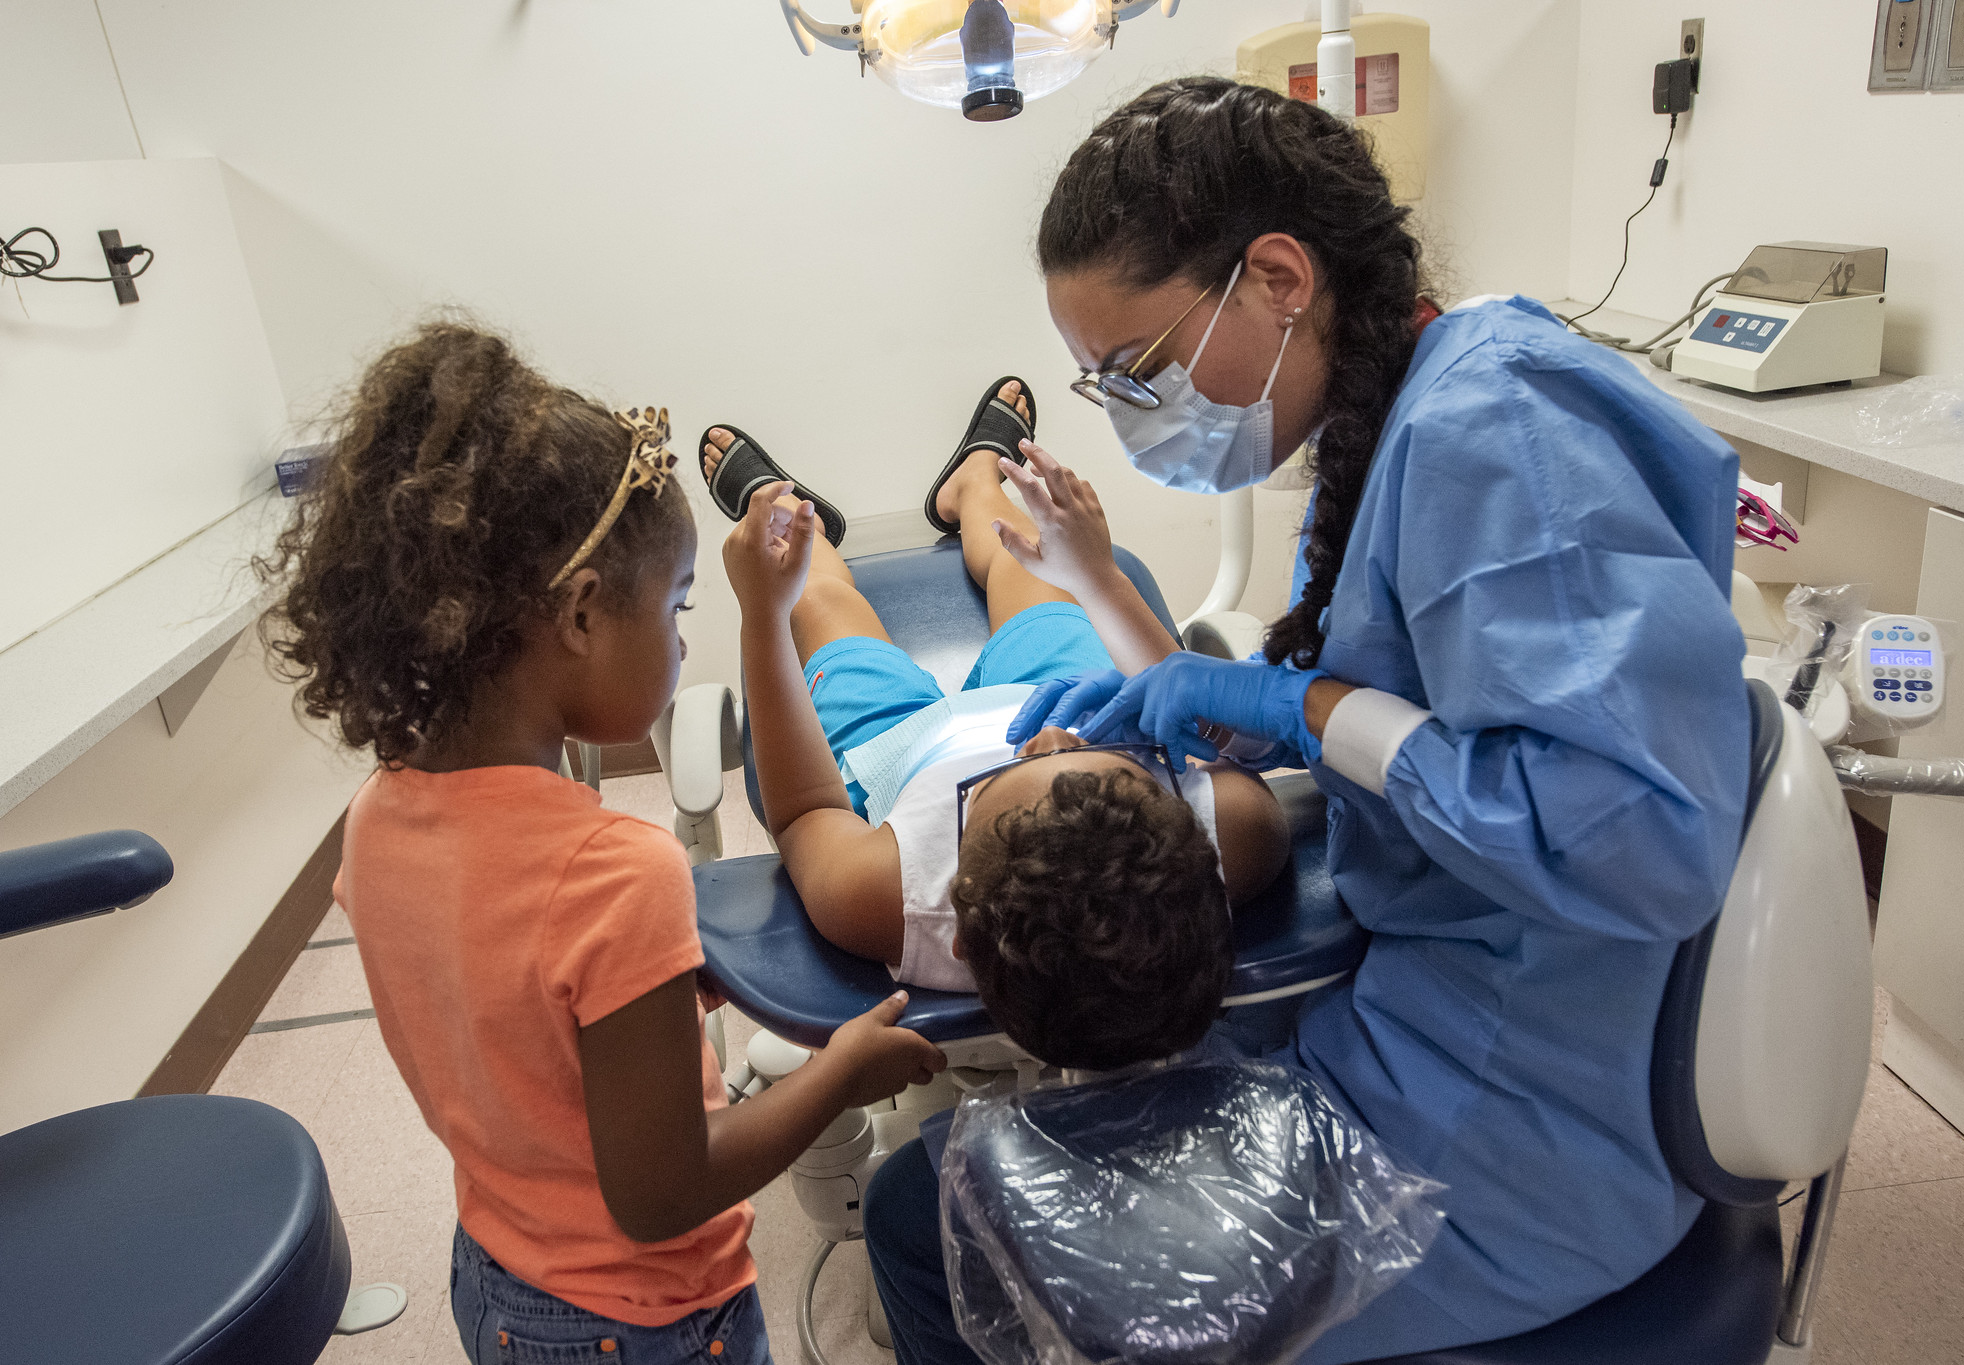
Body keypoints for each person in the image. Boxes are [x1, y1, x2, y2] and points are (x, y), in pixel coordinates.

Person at [863, 78, 1752, 1362]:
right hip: (1435, 1019)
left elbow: (1639, 844)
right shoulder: (1410, 404)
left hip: (1502, 1143)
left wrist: (1300, 702)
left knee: (921, 1208)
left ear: (1277, 276)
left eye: (1138, 371)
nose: (1125, 416)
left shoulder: (1488, 431)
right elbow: (1463, 708)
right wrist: (1262, 720)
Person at [257, 322, 944, 1365]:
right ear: (579, 613)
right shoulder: (614, 871)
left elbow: (500, 1007)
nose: (677, 640)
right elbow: (664, 1191)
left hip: (497, 1270)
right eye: (675, 607)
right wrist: (836, 1077)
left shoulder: (380, 813)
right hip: (641, 1322)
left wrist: (663, 991)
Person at [698, 380, 1287, 1067]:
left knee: (821, 599)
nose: (1043, 738)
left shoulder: (886, 896)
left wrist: (763, 614)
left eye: (1014, 768)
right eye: (1127, 766)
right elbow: (1191, 700)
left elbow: (804, 811)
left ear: (958, 929)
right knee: (1026, 564)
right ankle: (974, 485)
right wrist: (1098, 577)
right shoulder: (1244, 834)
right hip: (1069, 691)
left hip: (903, 751)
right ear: (1198, 844)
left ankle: (795, 525)